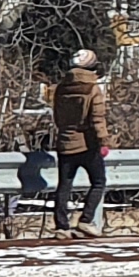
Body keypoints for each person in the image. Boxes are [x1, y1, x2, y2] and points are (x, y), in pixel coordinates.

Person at [48, 30, 114, 233]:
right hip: (87, 144)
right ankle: (86, 220)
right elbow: (97, 118)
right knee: (98, 182)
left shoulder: (60, 88)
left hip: (65, 143)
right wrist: (103, 141)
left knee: (64, 185)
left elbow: (57, 116)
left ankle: (61, 226)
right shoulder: (92, 89)